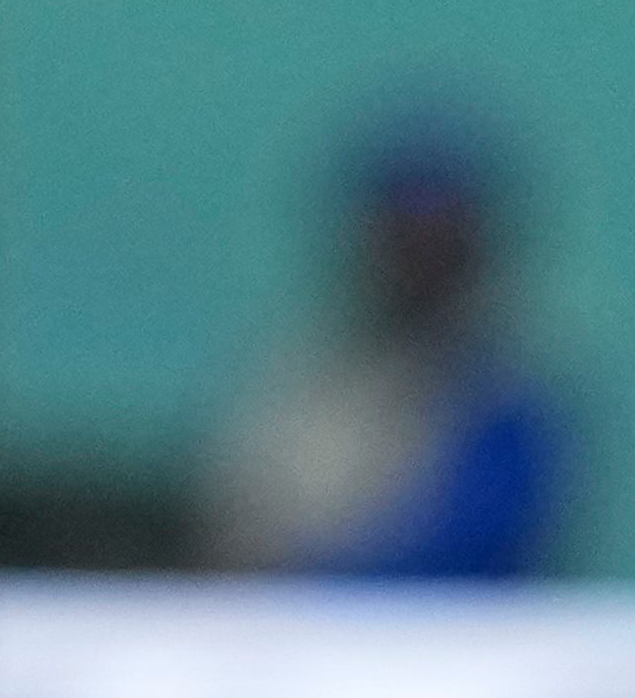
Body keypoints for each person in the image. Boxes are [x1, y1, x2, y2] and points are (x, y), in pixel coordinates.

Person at [206, 120, 572, 579]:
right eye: (402, 242)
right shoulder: (301, 380)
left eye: (440, 246)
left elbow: (464, 560)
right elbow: (236, 533)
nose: (419, 268)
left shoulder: (508, 406)